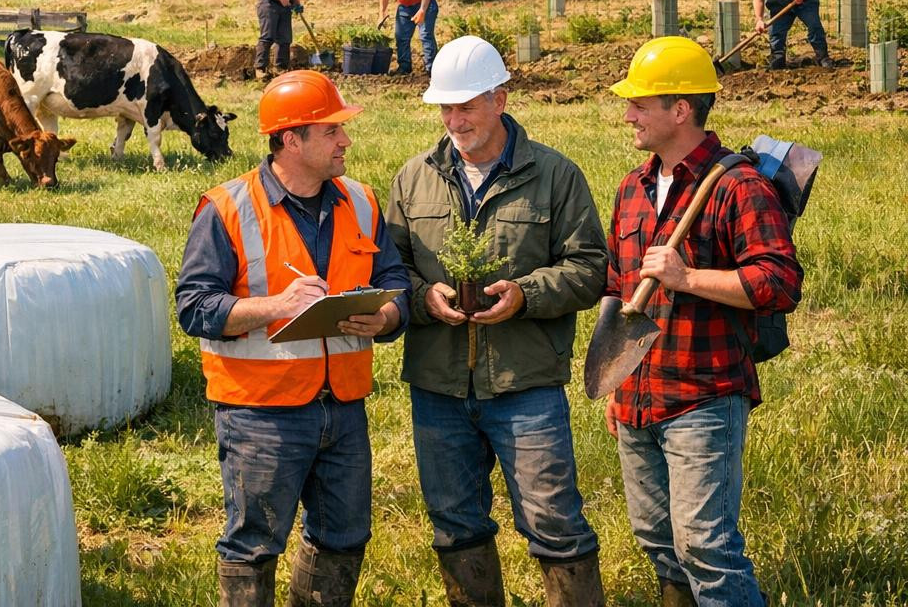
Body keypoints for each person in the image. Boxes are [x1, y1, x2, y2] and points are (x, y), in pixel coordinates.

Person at [386, 35, 608, 606]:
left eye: (466, 107)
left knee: (554, 522)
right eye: (445, 108)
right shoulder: (413, 178)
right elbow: (390, 269)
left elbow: (589, 268)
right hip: (438, 387)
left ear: (500, 99)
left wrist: (525, 295)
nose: (454, 121)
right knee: (455, 523)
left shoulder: (555, 175)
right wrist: (423, 297)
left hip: (524, 383)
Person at [176, 70, 408, 607]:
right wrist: (277, 307)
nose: (346, 140)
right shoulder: (227, 208)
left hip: (343, 406)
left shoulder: (362, 201)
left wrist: (388, 316)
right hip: (261, 411)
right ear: (291, 141)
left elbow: (396, 280)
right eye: (332, 131)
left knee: (344, 538)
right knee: (253, 546)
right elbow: (194, 307)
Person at [606, 37, 802, 607]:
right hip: (638, 397)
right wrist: (617, 386)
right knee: (658, 542)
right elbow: (618, 291)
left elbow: (779, 283)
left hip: (704, 397)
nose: (629, 115)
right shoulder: (632, 188)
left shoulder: (738, 186)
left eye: (639, 104)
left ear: (680, 110)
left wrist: (687, 277)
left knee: (706, 548)